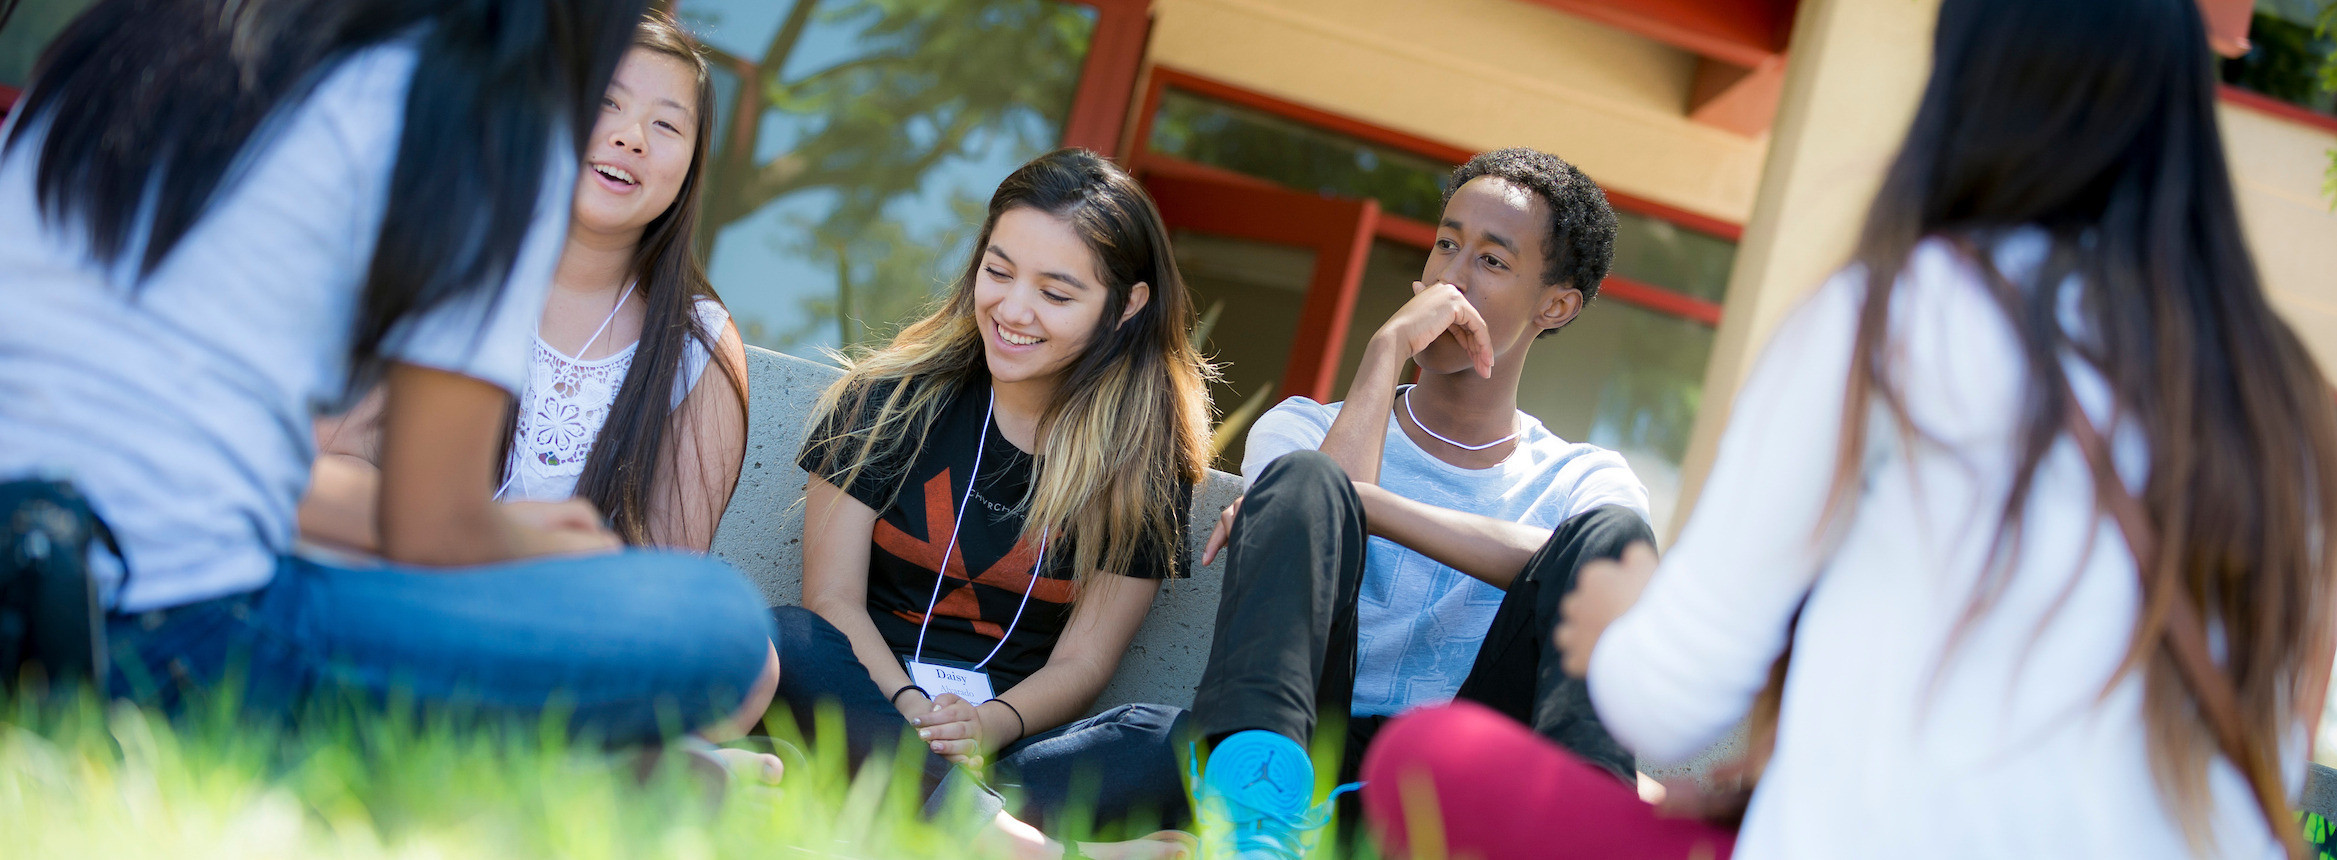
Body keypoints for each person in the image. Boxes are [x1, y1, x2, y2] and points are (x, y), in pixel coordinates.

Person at [1361, 0, 2337, 858]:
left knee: (1428, 756)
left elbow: (1663, 703)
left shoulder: (1900, 310)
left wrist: (1618, 622)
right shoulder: (2283, 393)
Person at [0, 0, 778, 751]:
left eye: (666, 122)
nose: (627, 134)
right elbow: (428, 524)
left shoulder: (140, 30)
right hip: (160, 620)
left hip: (26, 553)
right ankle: (586, 760)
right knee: (723, 626)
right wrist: (541, 545)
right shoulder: (474, 121)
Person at [1182, 147, 1652, 858]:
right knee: (1308, 478)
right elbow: (1321, 509)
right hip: (1310, 751)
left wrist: (1373, 508)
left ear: (1553, 305)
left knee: (1608, 535)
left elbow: (1605, 573)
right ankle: (1254, 824)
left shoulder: (1581, 477)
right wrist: (1384, 348)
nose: (1451, 281)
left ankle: (1586, 830)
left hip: (1468, 788)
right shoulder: (1303, 426)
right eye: (1445, 245)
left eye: (1491, 261)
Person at [780, 148, 1212, 844]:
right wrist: (907, 708)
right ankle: (1004, 842)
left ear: (1126, 307)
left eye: (1056, 293)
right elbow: (829, 604)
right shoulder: (885, 403)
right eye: (998, 271)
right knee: (787, 640)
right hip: (871, 703)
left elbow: (1084, 662)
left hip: (1006, 751)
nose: (1013, 309)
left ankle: (907, 820)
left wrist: (986, 726)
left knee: (1175, 742)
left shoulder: (1143, 470)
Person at [298, 11, 750, 555]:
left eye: (667, 125)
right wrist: (469, 539)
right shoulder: (459, 255)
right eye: (607, 101)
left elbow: (663, 575)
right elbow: (334, 456)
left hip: (555, 619)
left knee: (731, 625)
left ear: (690, 171)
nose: (630, 138)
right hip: (398, 575)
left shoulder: (695, 342)